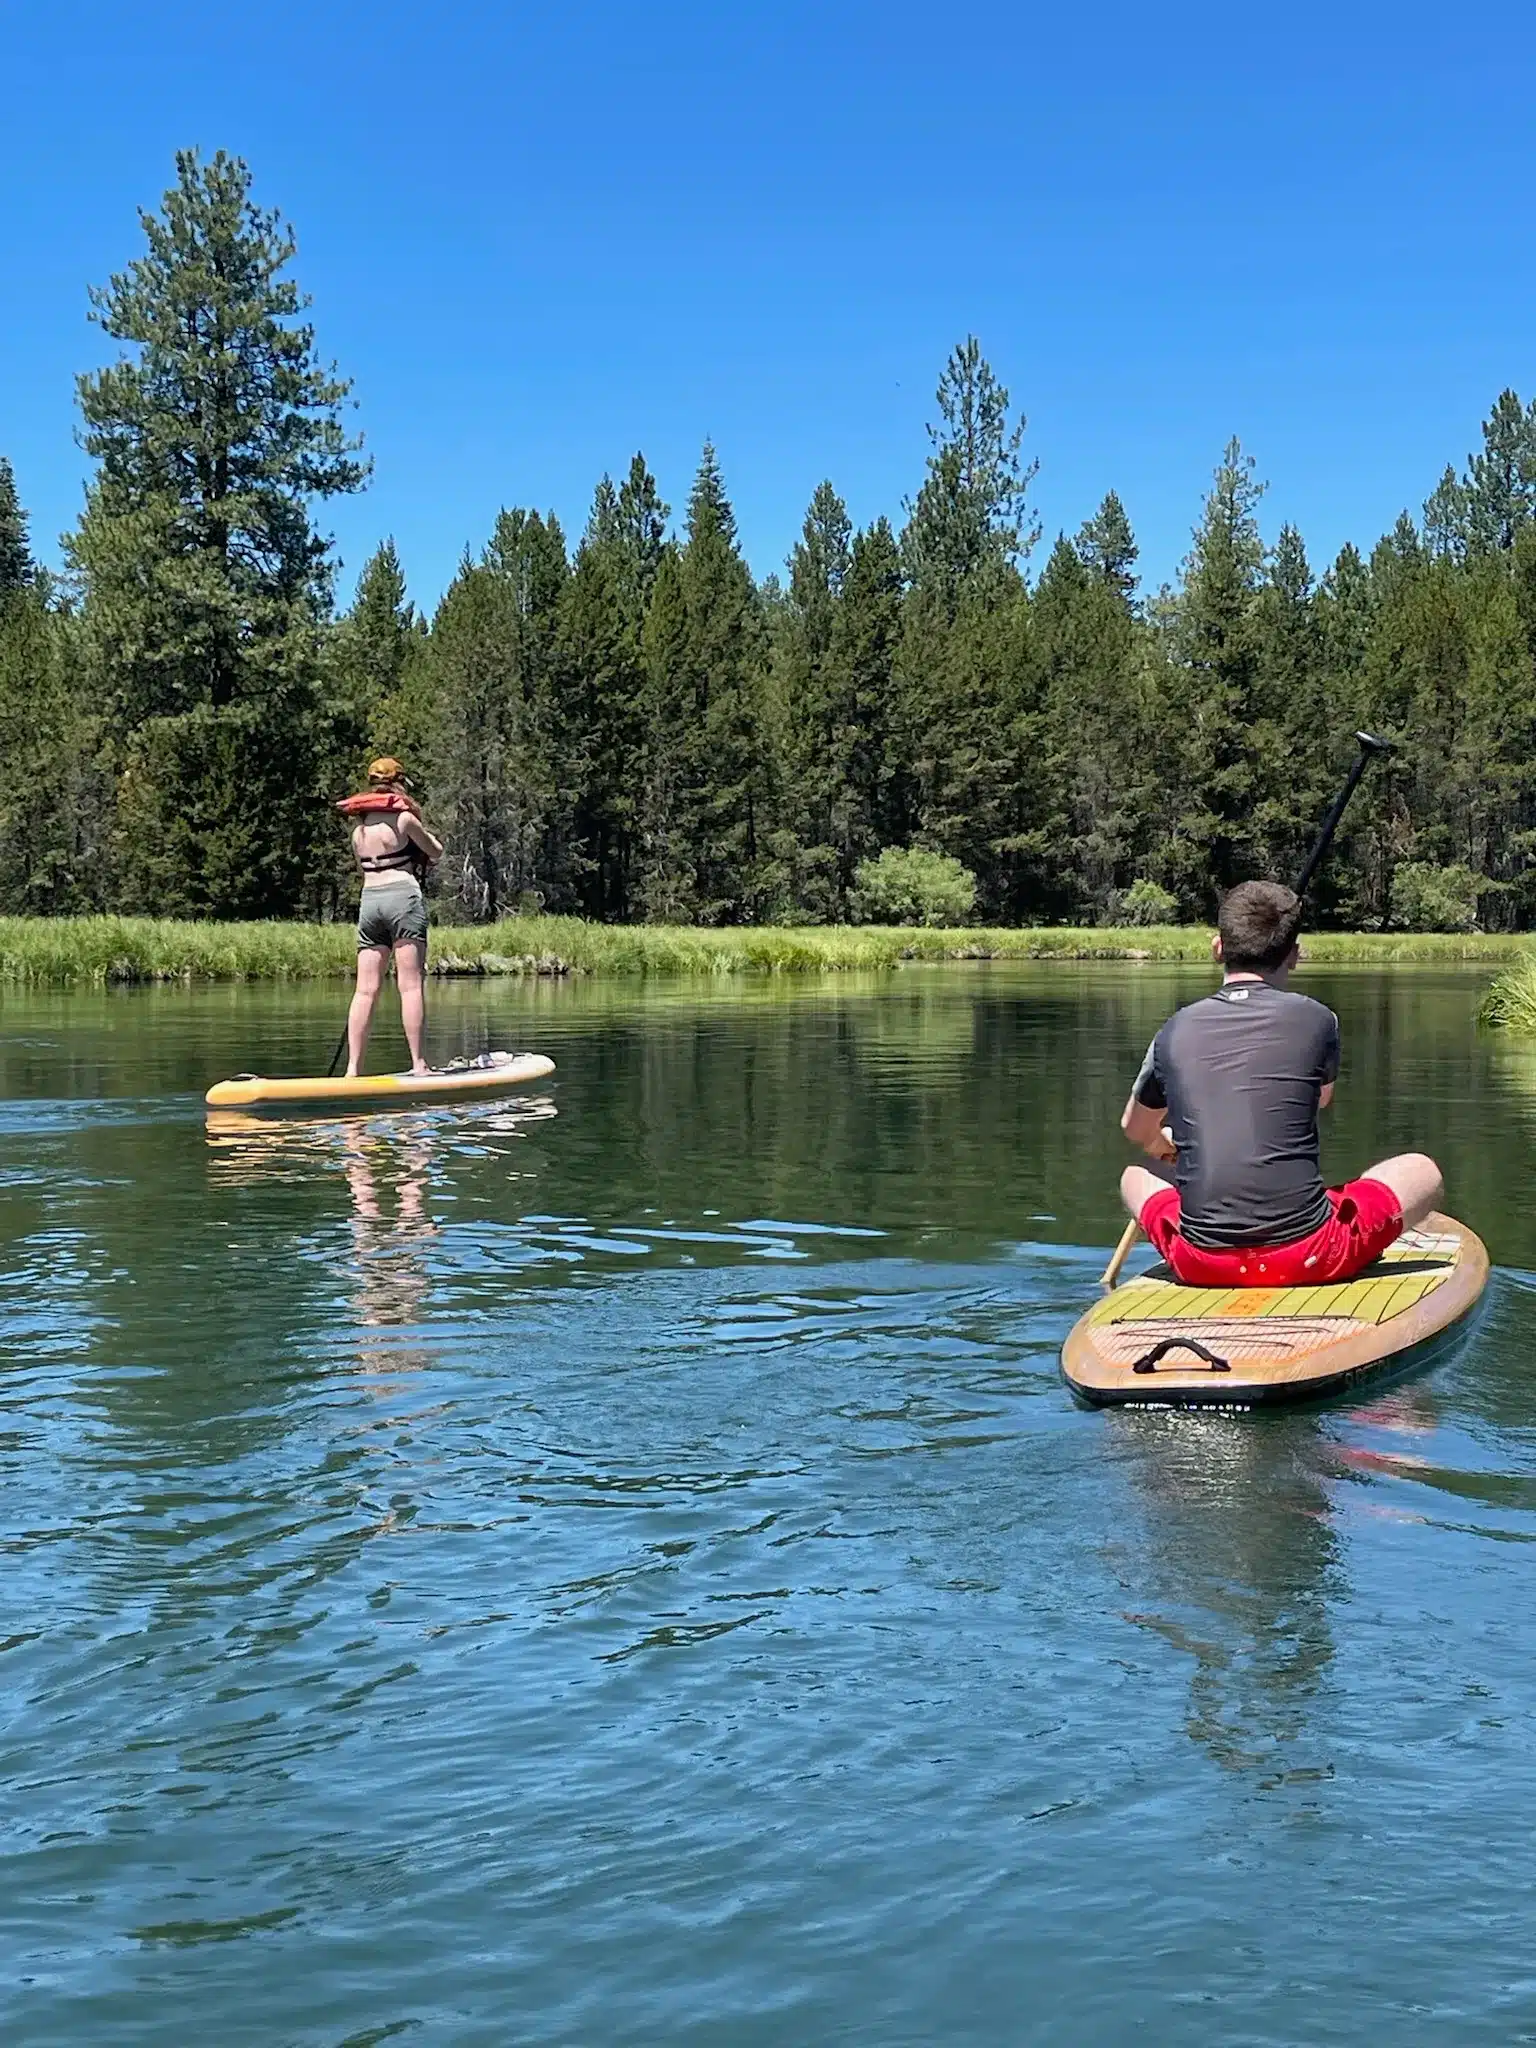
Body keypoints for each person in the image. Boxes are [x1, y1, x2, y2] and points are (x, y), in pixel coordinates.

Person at [1118, 879, 1443, 1287]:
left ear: (1217, 948)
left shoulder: (1172, 1031)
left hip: (1201, 1262)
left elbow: (1135, 1129)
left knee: (1133, 1177)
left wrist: (1163, 1146)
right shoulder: (1319, 1020)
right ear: (1295, 956)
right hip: (1308, 1255)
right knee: (1422, 1170)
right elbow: (1320, 1100)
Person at [339, 758, 444, 1078]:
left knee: (365, 990)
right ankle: (419, 1065)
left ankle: (353, 1070)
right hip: (402, 898)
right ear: (399, 783)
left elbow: (364, 869)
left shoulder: (359, 831)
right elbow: (436, 852)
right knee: (410, 986)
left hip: (370, 903)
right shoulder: (404, 820)